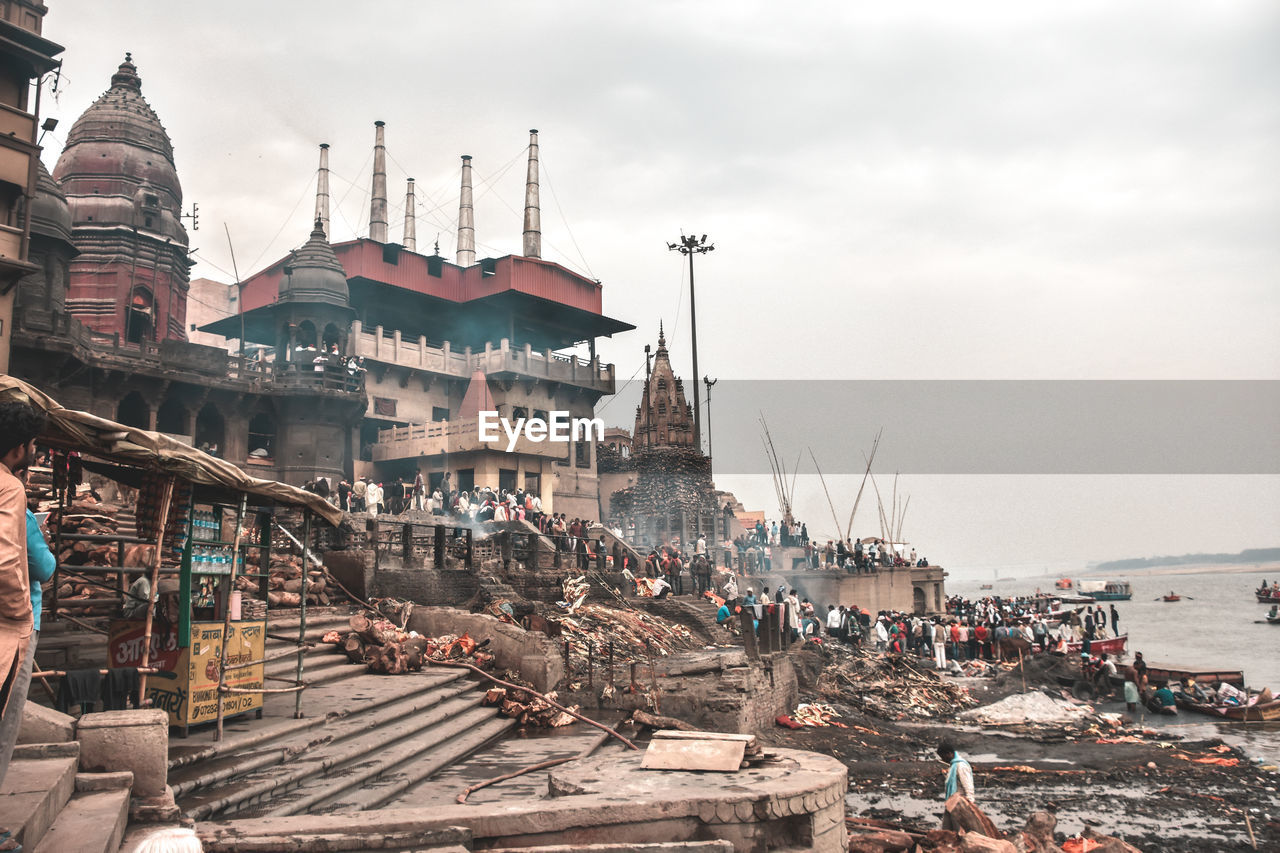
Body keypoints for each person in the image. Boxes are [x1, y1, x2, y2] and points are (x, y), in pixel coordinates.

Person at [0, 400, 44, 838]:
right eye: (32, 445)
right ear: (17, 449)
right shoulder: (10, 487)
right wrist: (20, 614)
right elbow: (6, 560)